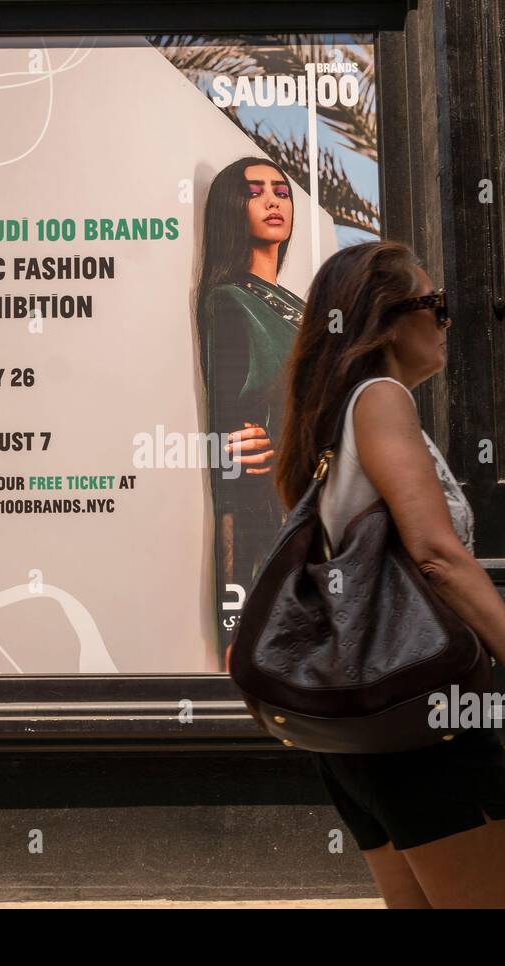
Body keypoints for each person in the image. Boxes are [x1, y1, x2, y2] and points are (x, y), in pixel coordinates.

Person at [272, 241, 505, 908]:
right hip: (425, 730)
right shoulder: (381, 398)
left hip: (360, 736)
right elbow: (437, 555)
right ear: (387, 319)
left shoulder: (328, 420)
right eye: (436, 306)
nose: (446, 322)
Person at [195, 156, 306, 646]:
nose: (271, 200)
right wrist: (232, 614)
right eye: (255, 191)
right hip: (275, 515)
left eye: (280, 191)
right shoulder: (230, 302)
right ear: (231, 208)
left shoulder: (299, 306)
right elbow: (234, 460)